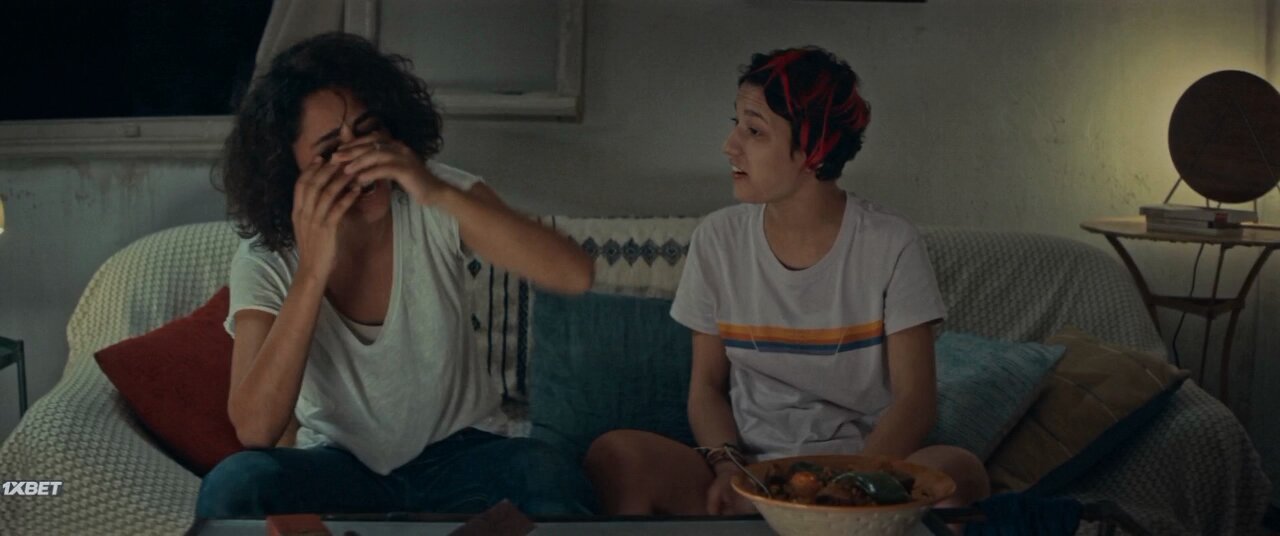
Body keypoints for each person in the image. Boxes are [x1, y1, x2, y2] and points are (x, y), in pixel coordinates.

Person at [197, 32, 597, 518]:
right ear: (288, 170)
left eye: (369, 132)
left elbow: (574, 274)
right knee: (237, 484)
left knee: (546, 472)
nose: (360, 159)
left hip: (463, 454)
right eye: (330, 150)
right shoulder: (265, 256)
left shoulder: (436, 192)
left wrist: (433, 190)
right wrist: (312, 271)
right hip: (339, 465)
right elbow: (255, 428)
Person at [584, 46, 990, 516]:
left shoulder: (890, 242)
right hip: (751, 473)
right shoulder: (718, 239)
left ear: (814, 149)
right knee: (617, 455)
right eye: (736, 124)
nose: (730, 145)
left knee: (959, 472)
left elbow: (915, 402)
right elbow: (706, 388)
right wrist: (728, 468)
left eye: (754, 131)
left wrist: (846, 487)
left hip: (865, 473)